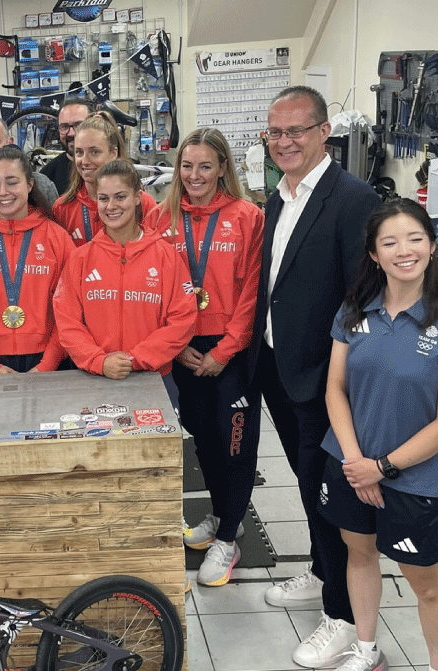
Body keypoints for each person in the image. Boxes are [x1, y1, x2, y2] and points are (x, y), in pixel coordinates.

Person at [250, 86, 382, 666]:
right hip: (280, 367)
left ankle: (341, 615)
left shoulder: (351, 199)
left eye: (296, 131)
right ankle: (319, 571)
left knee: (326, 493)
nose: (285, 142)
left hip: (323, 376)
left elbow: (363, 294)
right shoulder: (278, 197)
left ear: (323, 132)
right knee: (307, 486)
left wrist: (339, 369)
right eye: (275, 133)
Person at [319, 199, 438, 671]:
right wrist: (355, 462)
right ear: (373, 253)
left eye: (414, 239)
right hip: (350, 465)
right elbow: (335, 389)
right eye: (390, 242)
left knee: (426, 583)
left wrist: (384, 468)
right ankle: (368, 649)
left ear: (432, 246)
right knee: (359, 554)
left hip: (414, 476)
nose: (404, 251)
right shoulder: (355, 312)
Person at [145, 129, 264, 587]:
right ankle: (219, 517)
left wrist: (224, 350)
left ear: (222, 169)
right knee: (205, 443)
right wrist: (176, 344)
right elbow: (153, 287)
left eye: (205, 166)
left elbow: (253, 292)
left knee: (235, 447)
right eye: (187, 166)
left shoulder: (247, 217)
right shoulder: (161, 217)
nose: (195, 176)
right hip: (183, 348)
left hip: (229, 352)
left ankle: (230, 539)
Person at [53, 159, 196, 381]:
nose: (111, 206)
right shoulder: (79, 259)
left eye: (120, 197)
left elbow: (182, 319)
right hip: (95, 375)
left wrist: (136, 359)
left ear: (138, 197)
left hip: (153, 375)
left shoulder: (165, 256)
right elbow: (67, 322)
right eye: (103, 198)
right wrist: (100, 361)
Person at [0, 145, 73, 374]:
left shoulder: (58, 239)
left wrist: (48, 364)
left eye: (12, 182)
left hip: (50, 363)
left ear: (29, 184)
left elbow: (69, 311)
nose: (3, 192)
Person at [53, 113, 156, 247]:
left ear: (113, 153)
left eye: (94, 152)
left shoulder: (143, 203)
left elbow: (156, 253)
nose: (84, 161)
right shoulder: (62, 208)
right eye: (79, 152)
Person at [39, 97, 93, 194]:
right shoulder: (47, 177)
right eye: (64, 127)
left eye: (78, 125)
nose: (71, 133)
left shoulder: (111, 170)